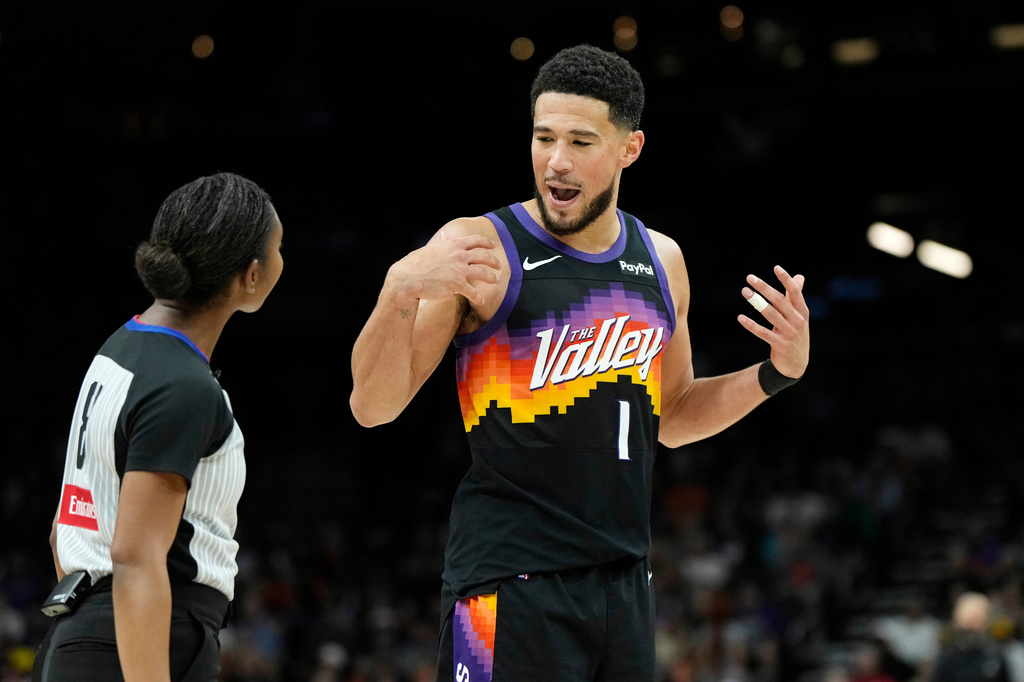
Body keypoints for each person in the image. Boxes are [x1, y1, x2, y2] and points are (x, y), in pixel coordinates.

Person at [349, 43, 810, 681]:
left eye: (581, 142)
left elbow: (671, 416)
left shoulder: (661, 260)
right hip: (507, 583)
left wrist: (773, 374)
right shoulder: (483, 246)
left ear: (630, 148)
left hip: (624, 587)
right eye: (544, 138)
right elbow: (373, 407)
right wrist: (398, 288)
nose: (556, 163)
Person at [33, 172, 285, 681]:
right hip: (144, 641)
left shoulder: (119, 348)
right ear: (251, 276)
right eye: (281, 248)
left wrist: (87, 628)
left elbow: (67, 527)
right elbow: (134, 556)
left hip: (86, 637)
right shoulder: (184, 386)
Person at [930, 591, 1010, 682]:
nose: (974, 630)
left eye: (978, 622)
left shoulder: (995, 657)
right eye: (969, 623)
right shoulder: (948, 659)